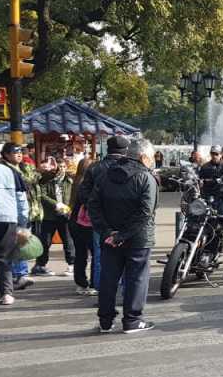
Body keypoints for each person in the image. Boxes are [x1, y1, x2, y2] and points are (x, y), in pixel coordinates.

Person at [88, 139, 159, 333]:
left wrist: (108, 232)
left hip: (110, 237)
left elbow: (93, 205)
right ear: (143, 157)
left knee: (108, 278)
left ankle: (105, 321)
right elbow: (146, 213)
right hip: (138, 238)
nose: (153, 161)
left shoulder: (104, 175)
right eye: (152, 157)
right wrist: (123, 235)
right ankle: (132, 321)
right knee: (137, 278)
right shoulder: (146, 178)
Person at [0, 142, 30, 305]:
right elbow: (21, 199)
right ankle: (7, 294)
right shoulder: (9, 171)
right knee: (3, 257)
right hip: (8, 218)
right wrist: (22, 221)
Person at [1, 143, 42, 284]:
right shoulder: (7, 170)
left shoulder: (22, 167)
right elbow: (19, 197)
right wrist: (23, 216)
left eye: (20, 151)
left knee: (19, 244)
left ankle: (19, 274)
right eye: (15, 152)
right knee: (15, 244)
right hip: (14, 213)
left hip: (23, 211)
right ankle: (18, 275)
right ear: (6, 154)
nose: (19, 154)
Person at [36, 157, 76, 277]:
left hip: (65, 216)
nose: (61, 169)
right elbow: (42, 195)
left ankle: (71, 265)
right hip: (50, 216)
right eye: (59, 167)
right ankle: (41, 266)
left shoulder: (69, 181)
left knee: (68, 241)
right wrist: (56, 204)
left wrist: (69, 208)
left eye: (64, 167)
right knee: (45, 241)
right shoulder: (47, 180)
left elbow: (74, 196)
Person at [68, 156, 98, 295]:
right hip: (87, 223)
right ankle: (93, 282)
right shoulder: (89, 184)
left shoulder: (75, 182)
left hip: (74, 221)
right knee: (95, 254)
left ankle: (80, 283)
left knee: (80, 254)